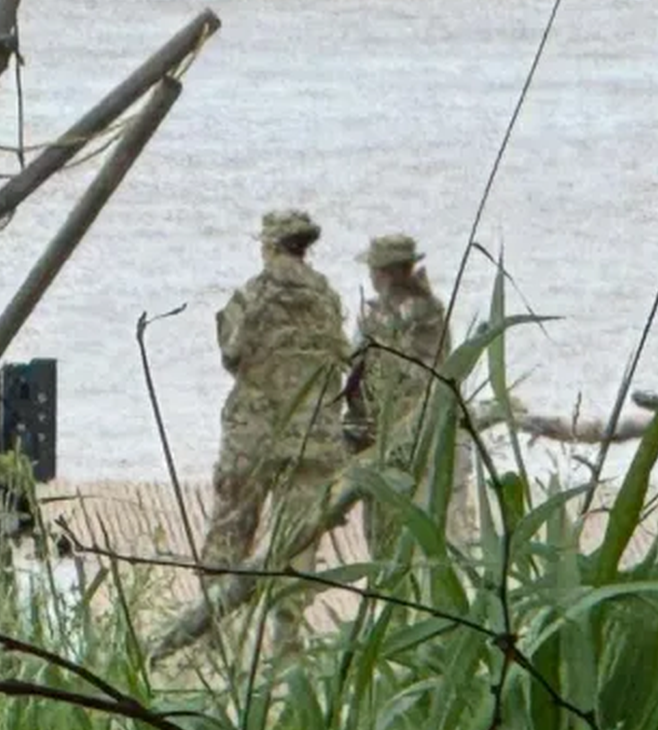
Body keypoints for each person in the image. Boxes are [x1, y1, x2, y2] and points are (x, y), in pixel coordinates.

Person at [199, 209, 351, 655]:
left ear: (269, 245)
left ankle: (211, 633)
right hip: (313, 435)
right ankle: (287, 638)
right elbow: (343, 355)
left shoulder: (252, 295)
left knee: (231, 526)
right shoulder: (328, 297)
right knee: (297, 536)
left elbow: (232, 355)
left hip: (256, 431)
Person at [346, 233, 474, 556]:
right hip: (436, 428)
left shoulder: (380, 318)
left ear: (384, 273)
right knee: (437, 523)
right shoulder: (432, 311)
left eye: (374, 271)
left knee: (385, 529)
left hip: (393, 433)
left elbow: (356, 369)